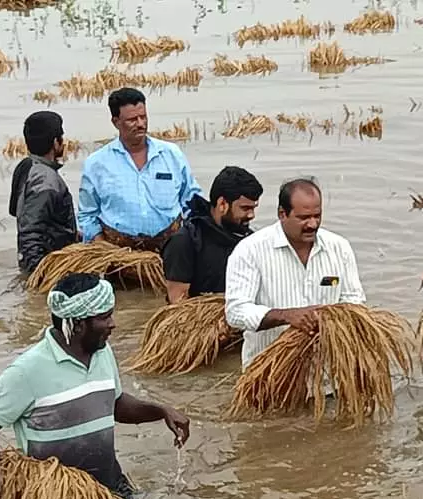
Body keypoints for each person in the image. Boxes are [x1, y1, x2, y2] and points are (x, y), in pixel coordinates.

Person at [0, 272, 190, 499]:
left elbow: (113, 404)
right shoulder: (26, 371)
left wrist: (161, 411)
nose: (113, 324)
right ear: (79, 324)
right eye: (105, 317)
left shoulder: (102, 352)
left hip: (111, 489)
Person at [225, 178, 365, 368]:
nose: (313, 224)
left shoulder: (339, 248)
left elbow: (354, 300)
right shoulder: (250, 250)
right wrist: (287, 316)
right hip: (270, 375)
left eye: (317, 215)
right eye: (303, 218)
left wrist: (331, 319)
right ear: (282, 214)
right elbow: (235, 312)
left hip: (327, 377)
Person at [78, 87, 202, 251]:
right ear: (116, 122)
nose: (141, 124)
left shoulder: (171, 154)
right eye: (132, 120)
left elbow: (193, 201)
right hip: (119, 255)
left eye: (143, 117)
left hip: (171, 251)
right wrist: (102, 246)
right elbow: (87, 215)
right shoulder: (97, 163)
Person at [162, 166, 263, 303]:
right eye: (245, 208)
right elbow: (178, 302)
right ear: (222, 204)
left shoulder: (252, 241)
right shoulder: (184, 242)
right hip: (199, 318)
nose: (252, 215)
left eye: (254, 208)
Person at [9, 110, 78, 274]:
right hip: (50, 265)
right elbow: (30, 232)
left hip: (38, 260)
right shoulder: (46, 180)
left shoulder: (24, 167)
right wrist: (40, 274)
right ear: (56, 142)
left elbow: (16, 212)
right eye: (61, 137)